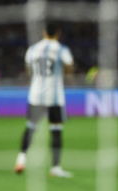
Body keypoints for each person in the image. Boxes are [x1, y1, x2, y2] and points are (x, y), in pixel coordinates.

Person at [14, 22, 74, 178]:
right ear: (58, 33)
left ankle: (21, 160)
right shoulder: (61, 49)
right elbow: (69, 68)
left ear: (44, 32)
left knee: (30, 128)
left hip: (35, 95)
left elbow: (29, 71)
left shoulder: (32, 50)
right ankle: (55, 167)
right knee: (56, 131)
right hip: (54, 97)